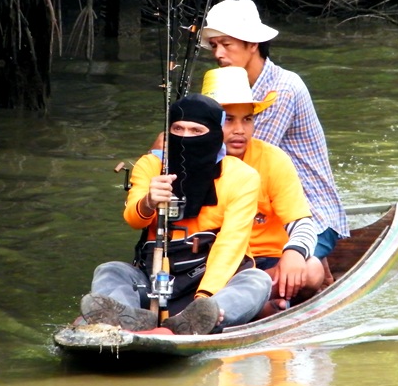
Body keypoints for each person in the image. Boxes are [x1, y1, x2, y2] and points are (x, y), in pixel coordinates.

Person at [80, 94, 272, 335]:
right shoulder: (150, 165)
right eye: (178, 129)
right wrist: (150, 201)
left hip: (212, 279)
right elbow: (133, 218)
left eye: (196, 130)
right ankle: (126, 321)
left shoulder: (242, 176)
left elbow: (230, 245)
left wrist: (204, 299)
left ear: (213, 133)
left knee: (257, 281)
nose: (185, 137)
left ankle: (200, 320)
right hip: (155, 274)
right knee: (110, 270)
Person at [200, 0, 350, 270]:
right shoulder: (226, 88)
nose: (218, 54)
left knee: (293, 274)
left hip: (307, 212)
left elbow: (243, 163)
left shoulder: (281, 89)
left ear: (252, 44)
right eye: (214, 45)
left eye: (226, 44)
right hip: (259, 212)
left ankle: (316, 268)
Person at [201, 66, 324, 314]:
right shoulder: (191, 159)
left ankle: (255, 303)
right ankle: (259, 305)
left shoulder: (273, 159)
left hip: (269, 262)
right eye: (228, 119)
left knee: (313, 270)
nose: (239, 130)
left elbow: (302, 223)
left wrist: (295, 252)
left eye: (247, 119)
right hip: (212, 264)